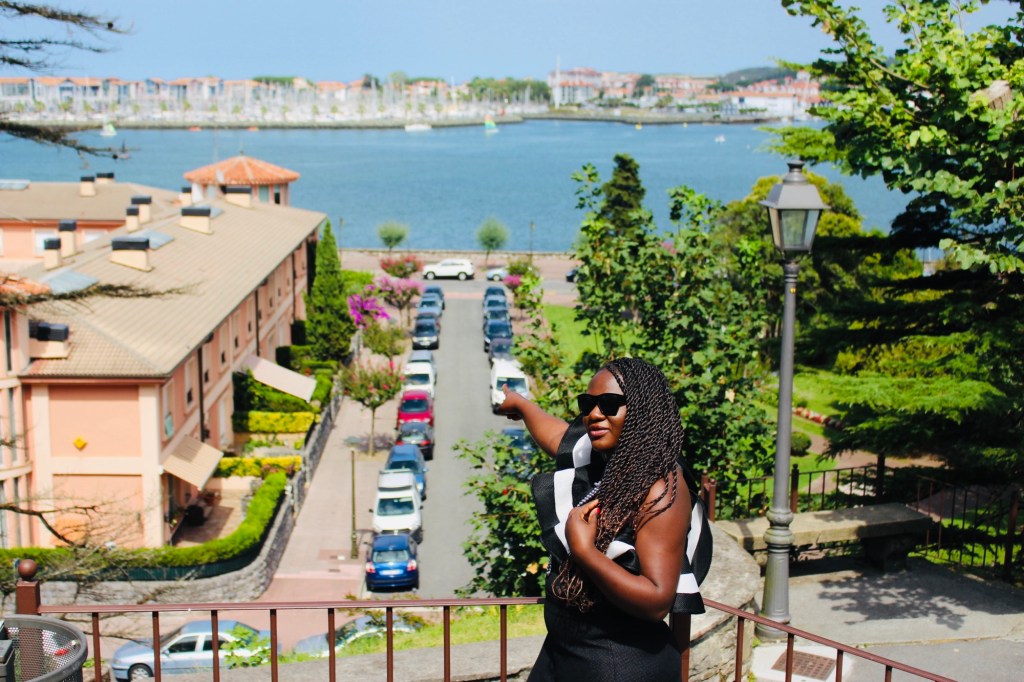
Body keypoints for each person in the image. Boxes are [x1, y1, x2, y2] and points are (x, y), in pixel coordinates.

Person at [497, 357, 710, 682]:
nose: (594, 414)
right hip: (564, 651)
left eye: (609, 404)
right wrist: (522, 405)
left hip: (617, 665)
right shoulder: (611, 461)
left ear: (641, 411)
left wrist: (585, 552)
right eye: (588, 404)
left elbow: (657, 601)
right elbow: (558, 439)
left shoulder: (660, 488)